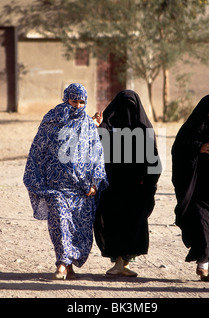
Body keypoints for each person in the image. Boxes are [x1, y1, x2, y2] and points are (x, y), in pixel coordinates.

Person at [23, 83, 108, 280]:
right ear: (66, 99)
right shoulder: (52, 120)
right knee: (60, 223)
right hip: (57, 186)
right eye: (74, 101)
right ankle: (61, 263)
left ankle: (69, 265)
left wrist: (95, 182)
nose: (78, 105)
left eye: (82, 102)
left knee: (78, 227)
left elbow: (96, 154)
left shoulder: (87, 124)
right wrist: (39, 177)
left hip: (82, 189)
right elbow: (38, 149)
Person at [94, 90, 161, 277]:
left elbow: (153, 161)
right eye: (122, 107)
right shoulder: (106, 127)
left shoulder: (144, 130)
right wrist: (95, 127)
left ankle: (125, 263)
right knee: (111, 222)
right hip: (110, 187)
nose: (126, 111)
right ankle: (117, 262)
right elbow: (93, 149)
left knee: (133, 223)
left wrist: (148, 184)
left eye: (131, 107)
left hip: (136, 189)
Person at [171, 94, 209, 282]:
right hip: (195, 186)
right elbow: (178, 150)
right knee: (201, 222)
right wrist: (198, 148)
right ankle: (203, 262)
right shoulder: (191, 128)